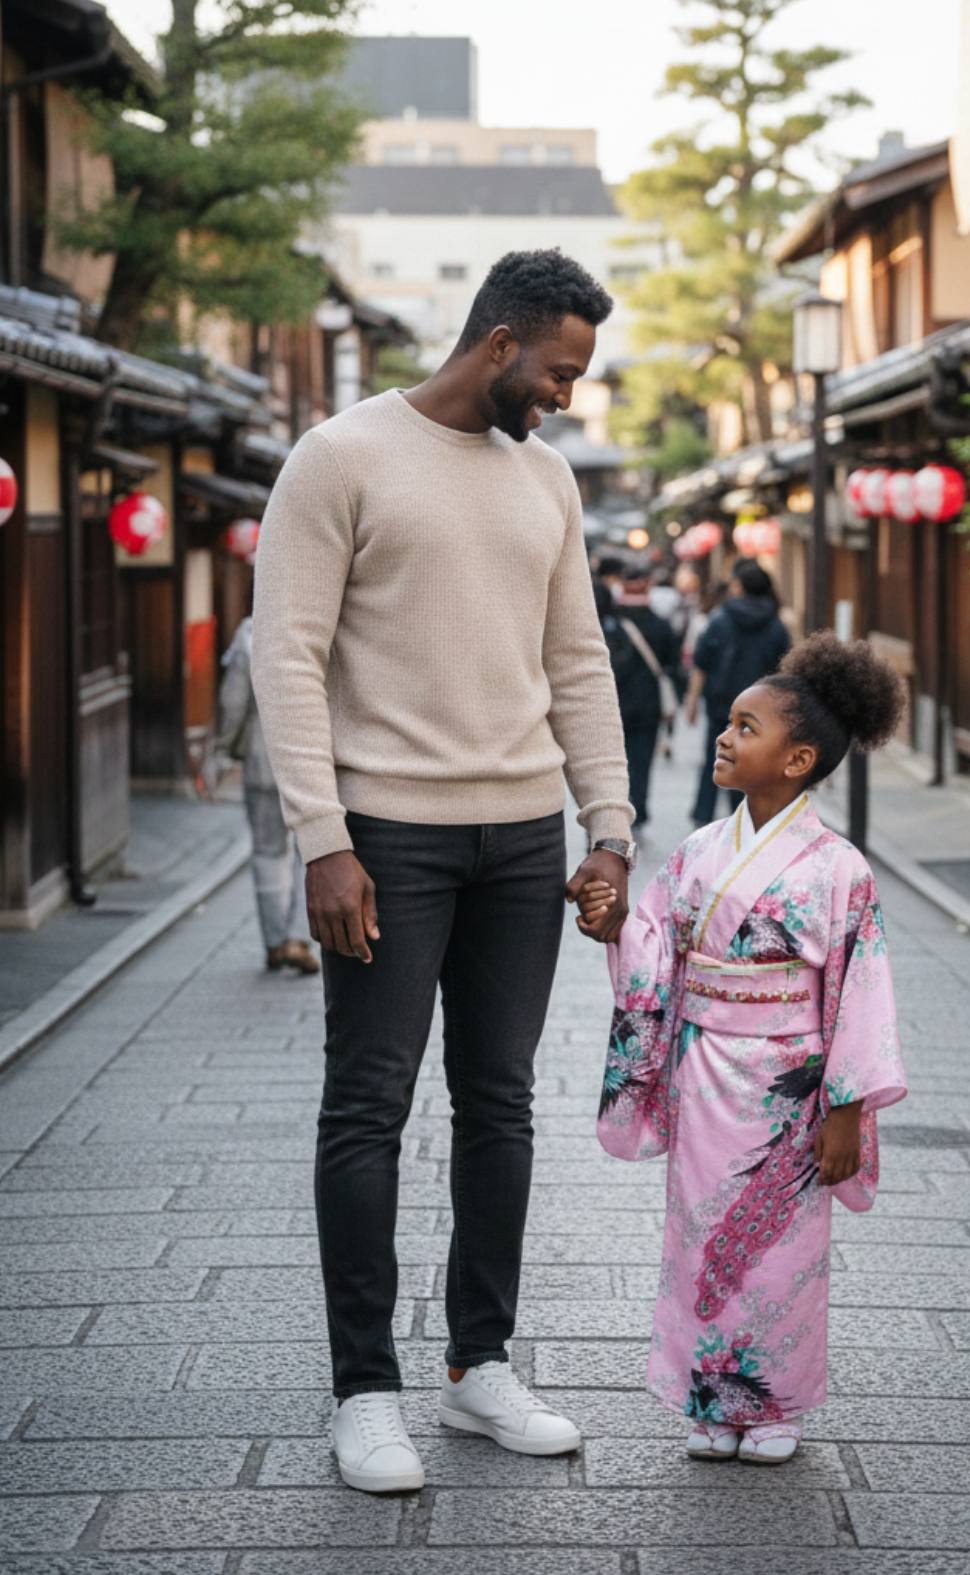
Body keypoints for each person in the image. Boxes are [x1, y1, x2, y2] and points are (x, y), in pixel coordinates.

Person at [250, 249, 636, 1496]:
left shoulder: (547, 483)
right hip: (388, 836)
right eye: (562, 369)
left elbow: (578, 661)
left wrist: (610, 825)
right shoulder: (340, 456)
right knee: (368, 1107)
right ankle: (365, 1390)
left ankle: (479, 1370)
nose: (570, 394)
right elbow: (290, 661)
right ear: (500, 342)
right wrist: (324, 838)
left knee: (502, 1103)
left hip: (522, 836)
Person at [578, 633, 907, 1465]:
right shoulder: (697, 851)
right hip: (702, 1072)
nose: (722, 737)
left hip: (787, 1087)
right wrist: (617, 923)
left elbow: (859, 993)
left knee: (783, 1247)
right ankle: (709, 1398)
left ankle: (772, 1403)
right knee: (697, 1235)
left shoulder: (840, 869)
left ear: (797, 760)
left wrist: (845, 1105)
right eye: (727, 722)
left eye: (744, 726)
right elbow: (657, 948)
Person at [216, 616, 319, 976]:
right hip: (315, 761)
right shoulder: (318, 625)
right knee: (314, 850)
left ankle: (276, 942)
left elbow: (233, 701)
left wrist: (226, 746)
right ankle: (298, 936)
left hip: (263, 758)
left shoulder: (248, 635)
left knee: (267, 850)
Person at [686, 559, 790, 827]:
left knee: (714, 756)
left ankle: (703, 813)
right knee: (752, 762)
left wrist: (692, 701)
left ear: (740, 587)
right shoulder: (776, 625)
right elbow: (785, 671)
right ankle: (743, 815)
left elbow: (702, 663)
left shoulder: (721, 619)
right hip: (762, 710)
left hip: (722, 702)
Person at [613, 565, 680, 826]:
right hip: (648, 703)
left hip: (615, 702)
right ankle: (638, 808)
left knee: (616, 761)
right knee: (642, 759)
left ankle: (618, 807)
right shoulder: (660, 625)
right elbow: (672, 664)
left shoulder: (611, 623)